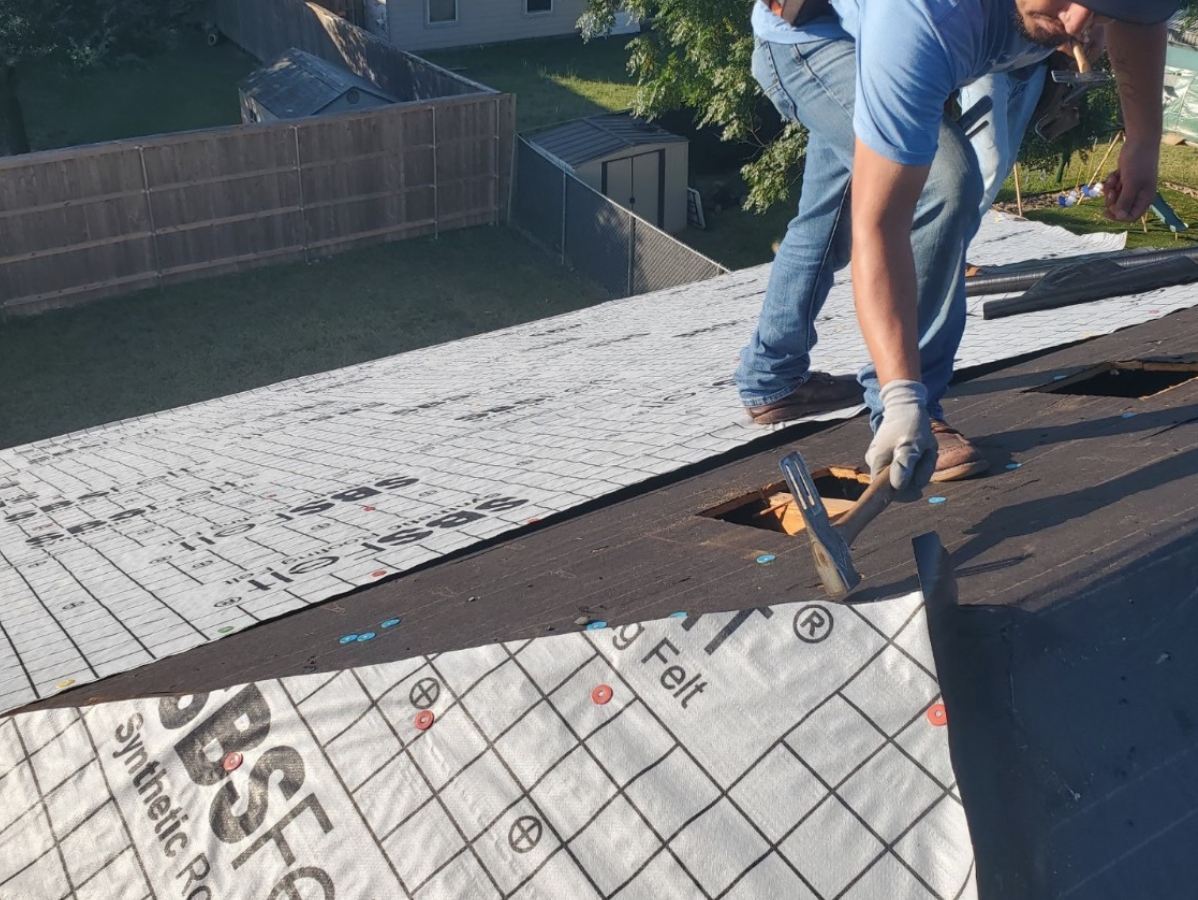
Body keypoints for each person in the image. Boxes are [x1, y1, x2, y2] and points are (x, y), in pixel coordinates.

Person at [736, 0, 1174, 491]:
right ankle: (905, 407)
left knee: (830, 221)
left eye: (1095, 8)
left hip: (876, 35)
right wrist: (904, 400)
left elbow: (1144, 14)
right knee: (942, 184)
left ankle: (771, 376)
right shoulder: (922, 15)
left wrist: (1143, 140)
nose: (1075, 23)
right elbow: (882, 228)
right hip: (813, 45)